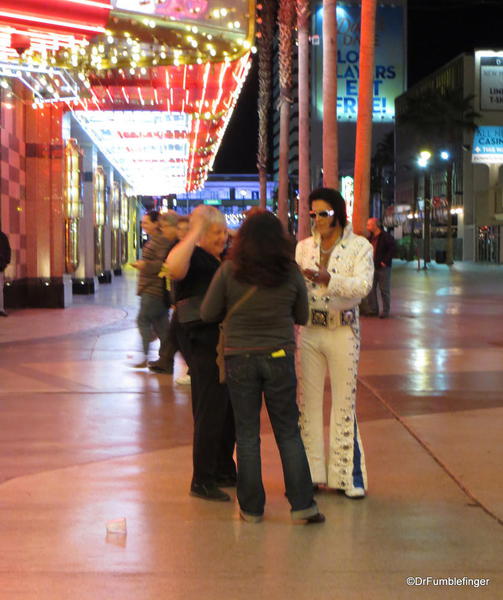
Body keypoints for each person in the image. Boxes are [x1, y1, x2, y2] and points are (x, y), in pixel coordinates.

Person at [201, 211, 324, 524]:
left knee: (247, 434)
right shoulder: (290, 272)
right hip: (280, 356)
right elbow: (302, 315)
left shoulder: (230, 270)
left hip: (239, 357)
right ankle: (303, 506)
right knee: (287, 432)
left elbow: (207, 312)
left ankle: (252, 510)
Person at [295, 188, 374, 498]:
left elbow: (363, 286)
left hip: (343, 331)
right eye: (312, 214)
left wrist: (329, 280)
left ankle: (347, 477)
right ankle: (311, 474)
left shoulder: (360, 247)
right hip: (311, 331)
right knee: (308, 403)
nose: (317, 220)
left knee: (344, 403)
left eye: (323, 213)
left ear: (338, 214)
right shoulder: (303, 247)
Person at [165, 205, 236, 502]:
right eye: (217, 232)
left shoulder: (214, 257)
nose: (223, 237)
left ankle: (222, 467)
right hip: (200, 337)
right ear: (202, 234)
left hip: (217, 339)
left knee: (226, 407)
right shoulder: (190, 255)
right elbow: (173, 268)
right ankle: (203, 478)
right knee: (210, 407)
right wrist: (195, 231)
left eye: (224, 232)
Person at [131, 210, 172, 368]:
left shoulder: (160, 241)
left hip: (153, 289)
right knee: (162, 327)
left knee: (143, 320)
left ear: (157, 224)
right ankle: (166, 360)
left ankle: (145, 355)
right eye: (142, 222)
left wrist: (144, 265)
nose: (143, 225)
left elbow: (163, 264)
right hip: (154, 289)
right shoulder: (156, 240)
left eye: (146, 222)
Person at [148, 210, 180, 374]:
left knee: (177, 333)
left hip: (181, 299)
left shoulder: (177, 245)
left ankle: (167, 362)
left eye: (166, 227)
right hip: (174, 297)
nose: (163, 230)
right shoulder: (172, 243)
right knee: (174, 332)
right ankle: (165, 361)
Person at [366, 217, 396, 319]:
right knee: (371, 289)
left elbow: (392, 249)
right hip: (372, 267)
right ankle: (373, 310)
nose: (367, 227)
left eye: (369, 225)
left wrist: (385, 262)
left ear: (375, 225)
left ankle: (386, 311)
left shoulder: (385, 237)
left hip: (383, 267)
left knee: (384, 290)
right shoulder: (370, 238)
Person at [0, 229, 11, 317]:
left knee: (0, 289)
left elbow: (7, 250)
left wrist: (5, 262)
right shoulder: (3, 236)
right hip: (1, 266)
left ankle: (1, 309)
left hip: (0, 266)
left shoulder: (3, 237)